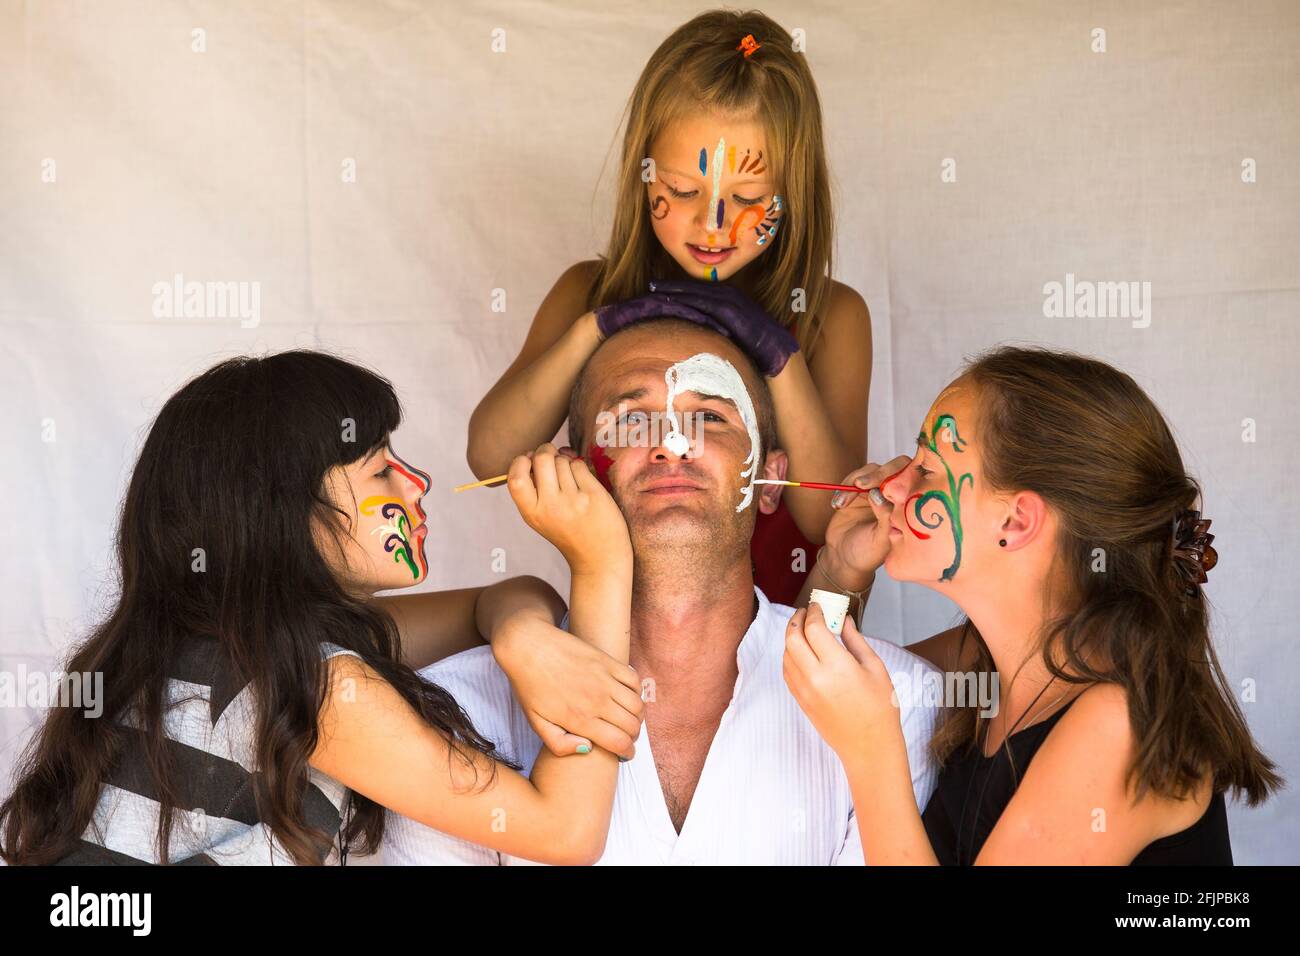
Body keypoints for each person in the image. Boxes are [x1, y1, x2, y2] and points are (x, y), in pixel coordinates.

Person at [0, 351, 642, 866]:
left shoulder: (230, 645)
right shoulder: (321, 687)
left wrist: (523, 638)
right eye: (380, 471)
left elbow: (496, 599)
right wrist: (604, 564)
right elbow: (566, 832)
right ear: (282, 514)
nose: (417, 485)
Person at [386, 318, 941, 865]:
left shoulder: (898, 704)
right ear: (574, 475)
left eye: (708, 418)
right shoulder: (453, 714)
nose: (673, 446)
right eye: (631, 422)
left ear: (770, 481)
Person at [784, 345, 1283, 864]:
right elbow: (815, 683)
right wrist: (841, 567)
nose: (892, 484)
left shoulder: (1119, 727)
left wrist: (873, 757)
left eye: (928, 469)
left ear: (1017, 522)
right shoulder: (982, 663)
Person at [466, 9, 874, 605]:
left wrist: (780, 359)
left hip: (786, 648)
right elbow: (489, 457)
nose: (713, 224)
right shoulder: (588, 291)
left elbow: (830, 517)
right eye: (683, 191)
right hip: (630, 640)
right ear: (643, 175)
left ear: (795, 191)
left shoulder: (829, 317)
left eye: (747, 198)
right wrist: (593, 329)